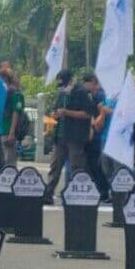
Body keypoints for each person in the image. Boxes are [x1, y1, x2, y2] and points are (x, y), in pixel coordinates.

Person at [44, 69, 95, 204]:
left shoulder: (81, 92)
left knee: (75, 166)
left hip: (75, 136)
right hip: (60, 136)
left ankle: (75, 194)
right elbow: (55, 110)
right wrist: (55, 114)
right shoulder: (61, 94)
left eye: (64, 84)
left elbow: (87, 114)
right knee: (55, 167)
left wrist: (67, 112)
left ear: (71, 81)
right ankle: (48, 194)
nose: (63, 87)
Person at [82, 73, 109, 200]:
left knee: (99, 164)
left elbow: (101, 113)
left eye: (86, 82)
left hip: (99, 132)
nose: (85, 85)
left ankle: (103, 191)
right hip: (96, 132)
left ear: (93, 82)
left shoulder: (100, 95)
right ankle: (100, 190)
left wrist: (94, 123)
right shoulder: (92, 95)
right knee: (94, 163)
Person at [0, 68, 24, 166]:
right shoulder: (3, 93)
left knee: (9, 162)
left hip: (8, 132)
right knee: (2, 162)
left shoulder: (15, 94)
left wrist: (12, 132)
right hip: (1, 131)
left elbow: (16, 113)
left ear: (5, 78)